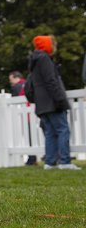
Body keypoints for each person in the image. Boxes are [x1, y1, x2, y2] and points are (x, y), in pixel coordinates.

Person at [28, 35, 80, 171]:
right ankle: (65, 161)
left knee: (50, 132)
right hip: (52, 101)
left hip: (42, 103)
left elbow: (31, 85)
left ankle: (50, 162)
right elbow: (51, 81)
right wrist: (60, 100)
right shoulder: (44, 59)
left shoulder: (35, 60)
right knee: (63, 130)